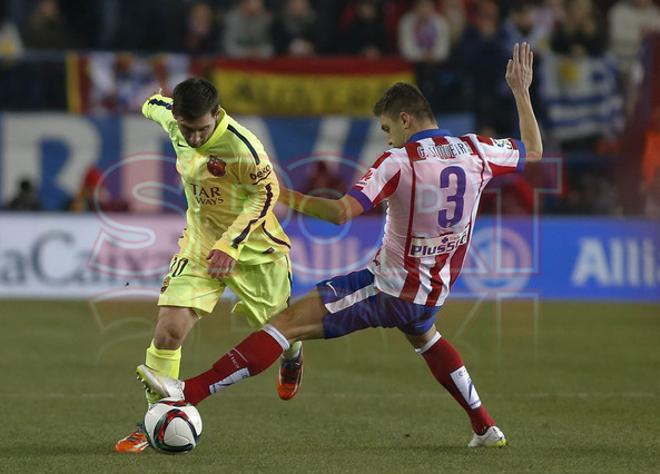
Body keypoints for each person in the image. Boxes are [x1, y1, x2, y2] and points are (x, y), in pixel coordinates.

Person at [136, 43, 543, 448]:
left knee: (285, 324)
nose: (388, 139)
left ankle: (188, 393)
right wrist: (521, 93)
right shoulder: (477, 150)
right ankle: (485, 426)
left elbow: (342, 213)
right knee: (426, 338)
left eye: (387, 129)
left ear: (405, 119)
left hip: (387, 287)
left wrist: (286, 196)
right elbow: (535, 151)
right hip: (433, 289)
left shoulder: (398, 161)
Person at [115, 77, 304, 453]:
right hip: (200, 247)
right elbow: (156, 107)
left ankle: (294, 356)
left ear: (216, 115)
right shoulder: (177, 122)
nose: (195, 137)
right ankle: (157, 417)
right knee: (168, 331)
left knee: (282, 331)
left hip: (255, 252)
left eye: (202, 129)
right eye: (188, 129)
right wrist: (151, 97)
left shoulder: (242, 146)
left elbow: (268, 194)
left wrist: (231, 245)